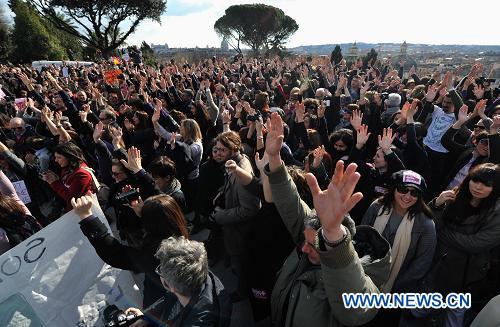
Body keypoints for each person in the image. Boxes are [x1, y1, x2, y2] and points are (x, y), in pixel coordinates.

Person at [264, 113, 391, 326]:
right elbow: (288, 201)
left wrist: (332, 232)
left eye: (313, 246)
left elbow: (357, 312)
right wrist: (275, 157)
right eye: (305, 241)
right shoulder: (310, 233)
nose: (303, 249)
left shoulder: (359, 272)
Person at [408, 163, 500, 326]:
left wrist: (442, 234)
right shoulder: (456, 195)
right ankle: (417, 314)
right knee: (427, 296)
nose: (477, 187)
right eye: (474, 180)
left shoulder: (496, 212)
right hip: (438, 262)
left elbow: (475, 244)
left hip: (467, 273)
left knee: (455, 311)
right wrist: (437, 204)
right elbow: (428, 224)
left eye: (486, 184)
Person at [71, 194, 189, 308]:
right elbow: (164, 212)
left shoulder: (159, 255)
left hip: (164, 309)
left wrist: (87, 217)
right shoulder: (183, 240)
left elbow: (115, 253)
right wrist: (148, 211)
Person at [125, 236, 232, 327]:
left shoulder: (199, 322)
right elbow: (170, 300)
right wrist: (147, 318)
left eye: (160, 270)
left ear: (167, 285)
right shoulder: (198, 273)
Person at [41, 142, 95, 212]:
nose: (56, 160)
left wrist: (54, 182)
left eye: (59, 157)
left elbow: (71, 199)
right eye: (55, 157)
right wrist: (55, 178)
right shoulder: (67, 168)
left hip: (85, 210)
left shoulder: (82, 174)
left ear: (69, 157)